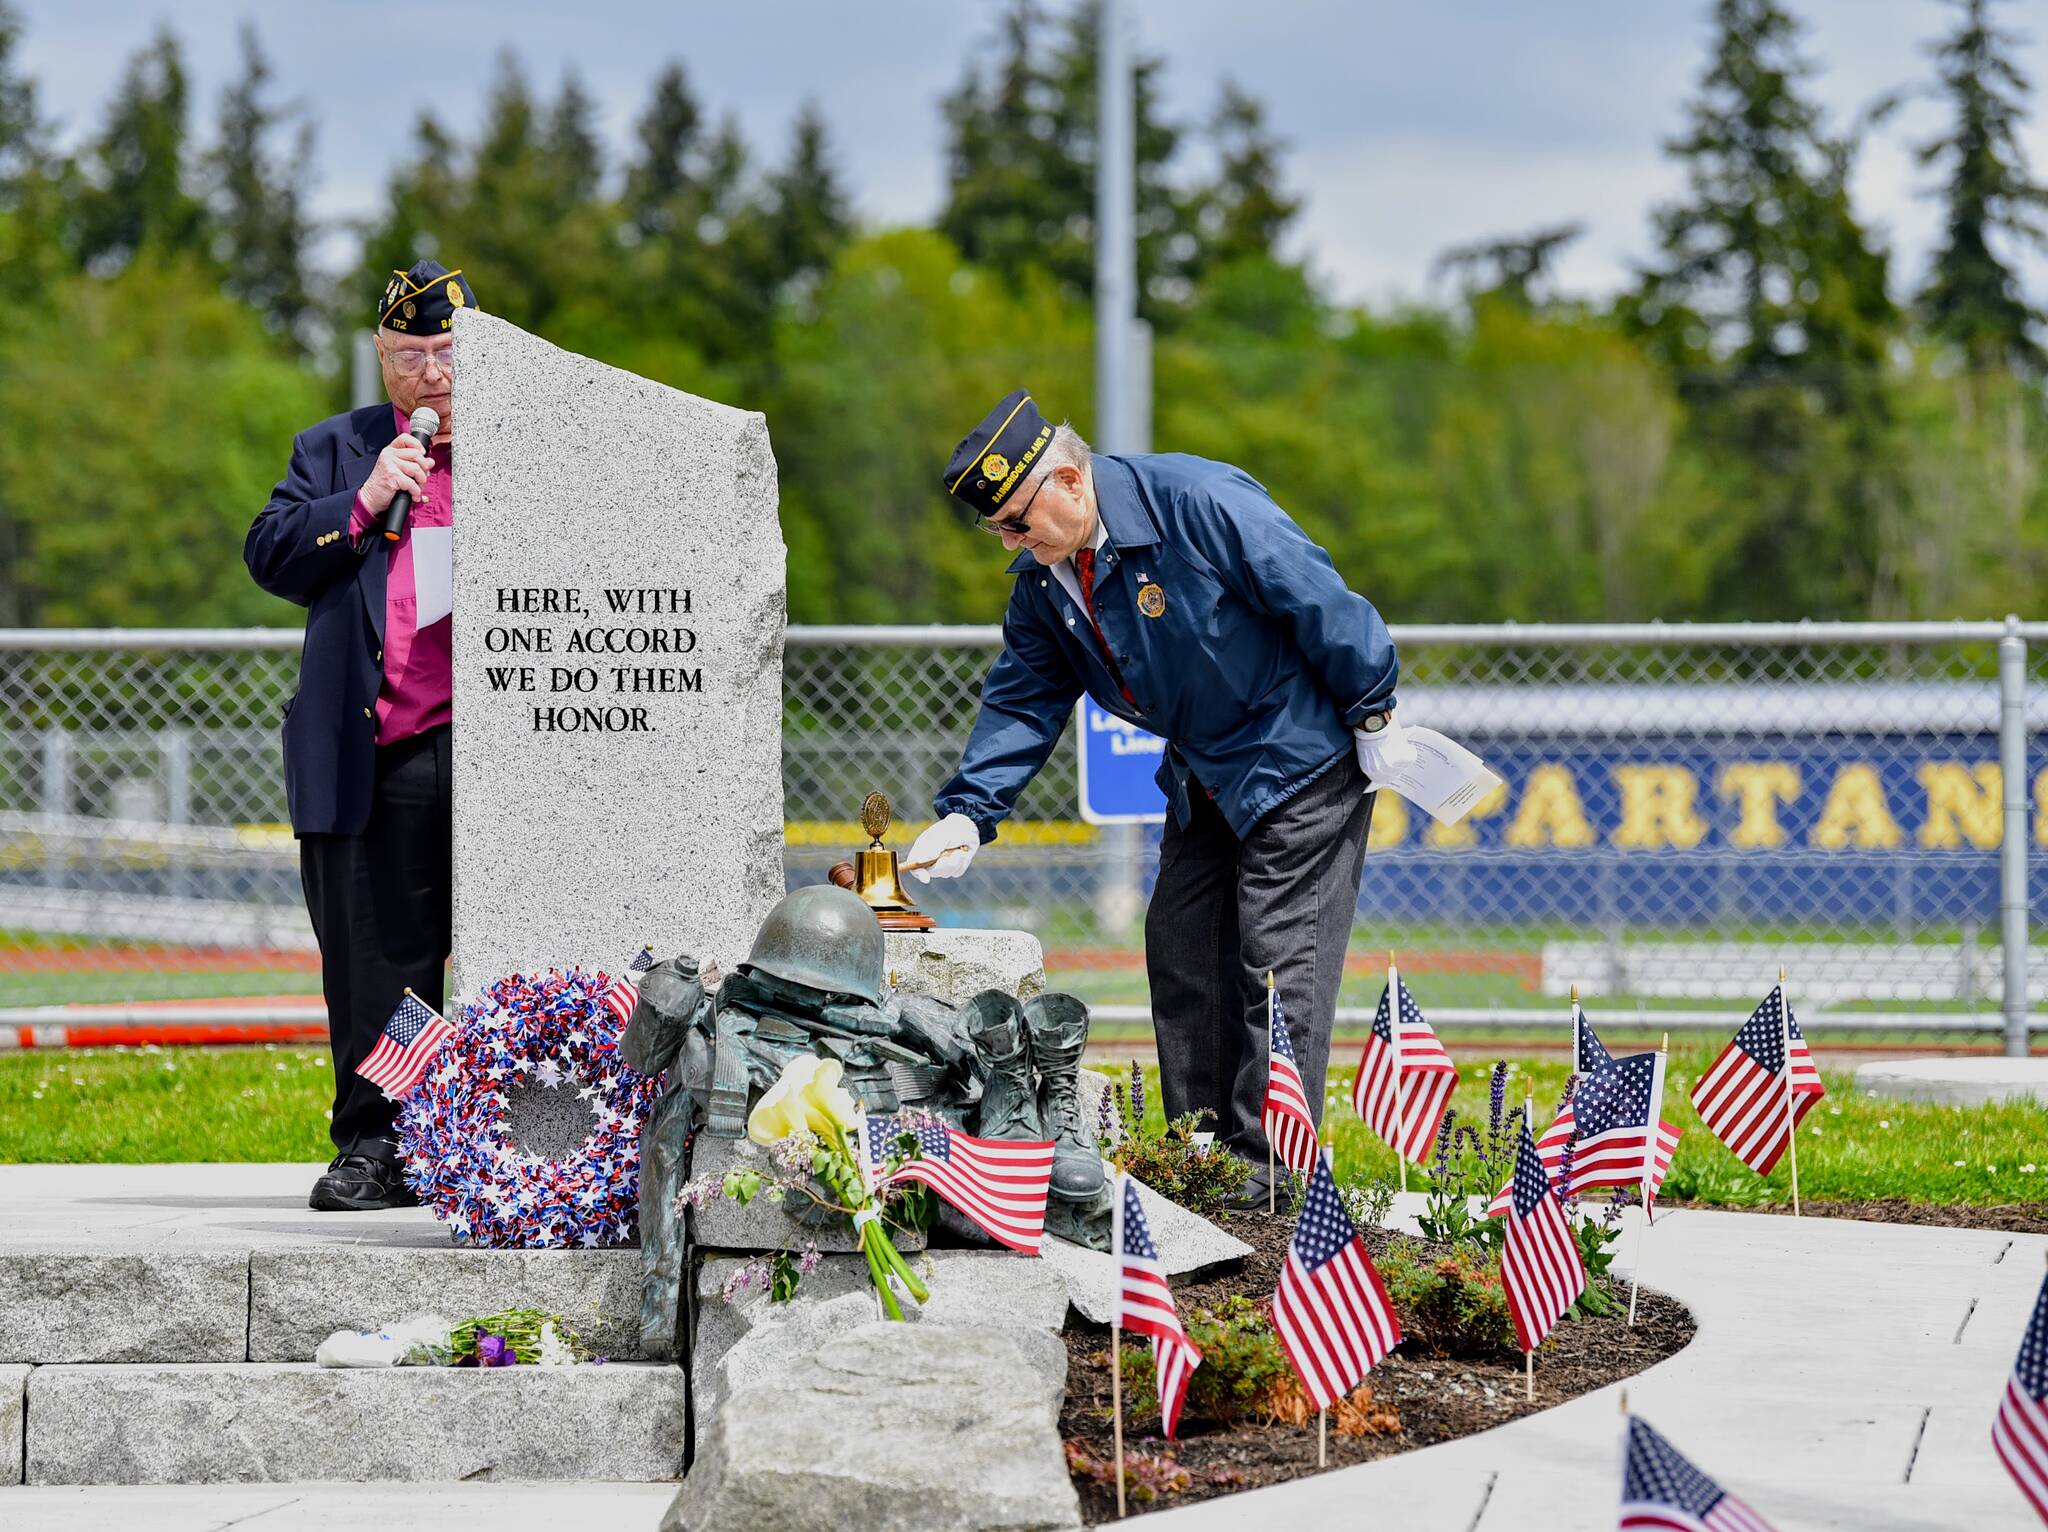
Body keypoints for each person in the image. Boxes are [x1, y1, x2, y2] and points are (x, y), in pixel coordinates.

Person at [908, 390, 1412, 1206]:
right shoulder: (1044, 584)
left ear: (1070, 482)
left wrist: (1373, 705)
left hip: (1298, 753)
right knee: (1181, 943)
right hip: (1205, 773)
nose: (1008, 541)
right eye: (994, 529)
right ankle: (1202, 1158)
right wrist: (970, 808)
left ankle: (1272, 1173)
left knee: (1278, 962)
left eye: (1015, 520)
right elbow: (1023, 696)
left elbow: (1314, 593)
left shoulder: (1196, 503)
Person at [243, 260, 477, 1211]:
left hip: (495, 749)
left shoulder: (544, 454)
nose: (432, 375)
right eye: (409, 355)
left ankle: (541, 1133)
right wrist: (367, 496)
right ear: (381, 360)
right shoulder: (336, 450)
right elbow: (272, 555)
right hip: (377, 746)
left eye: (448, 353)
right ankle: (382, 1143)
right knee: (378, 957)